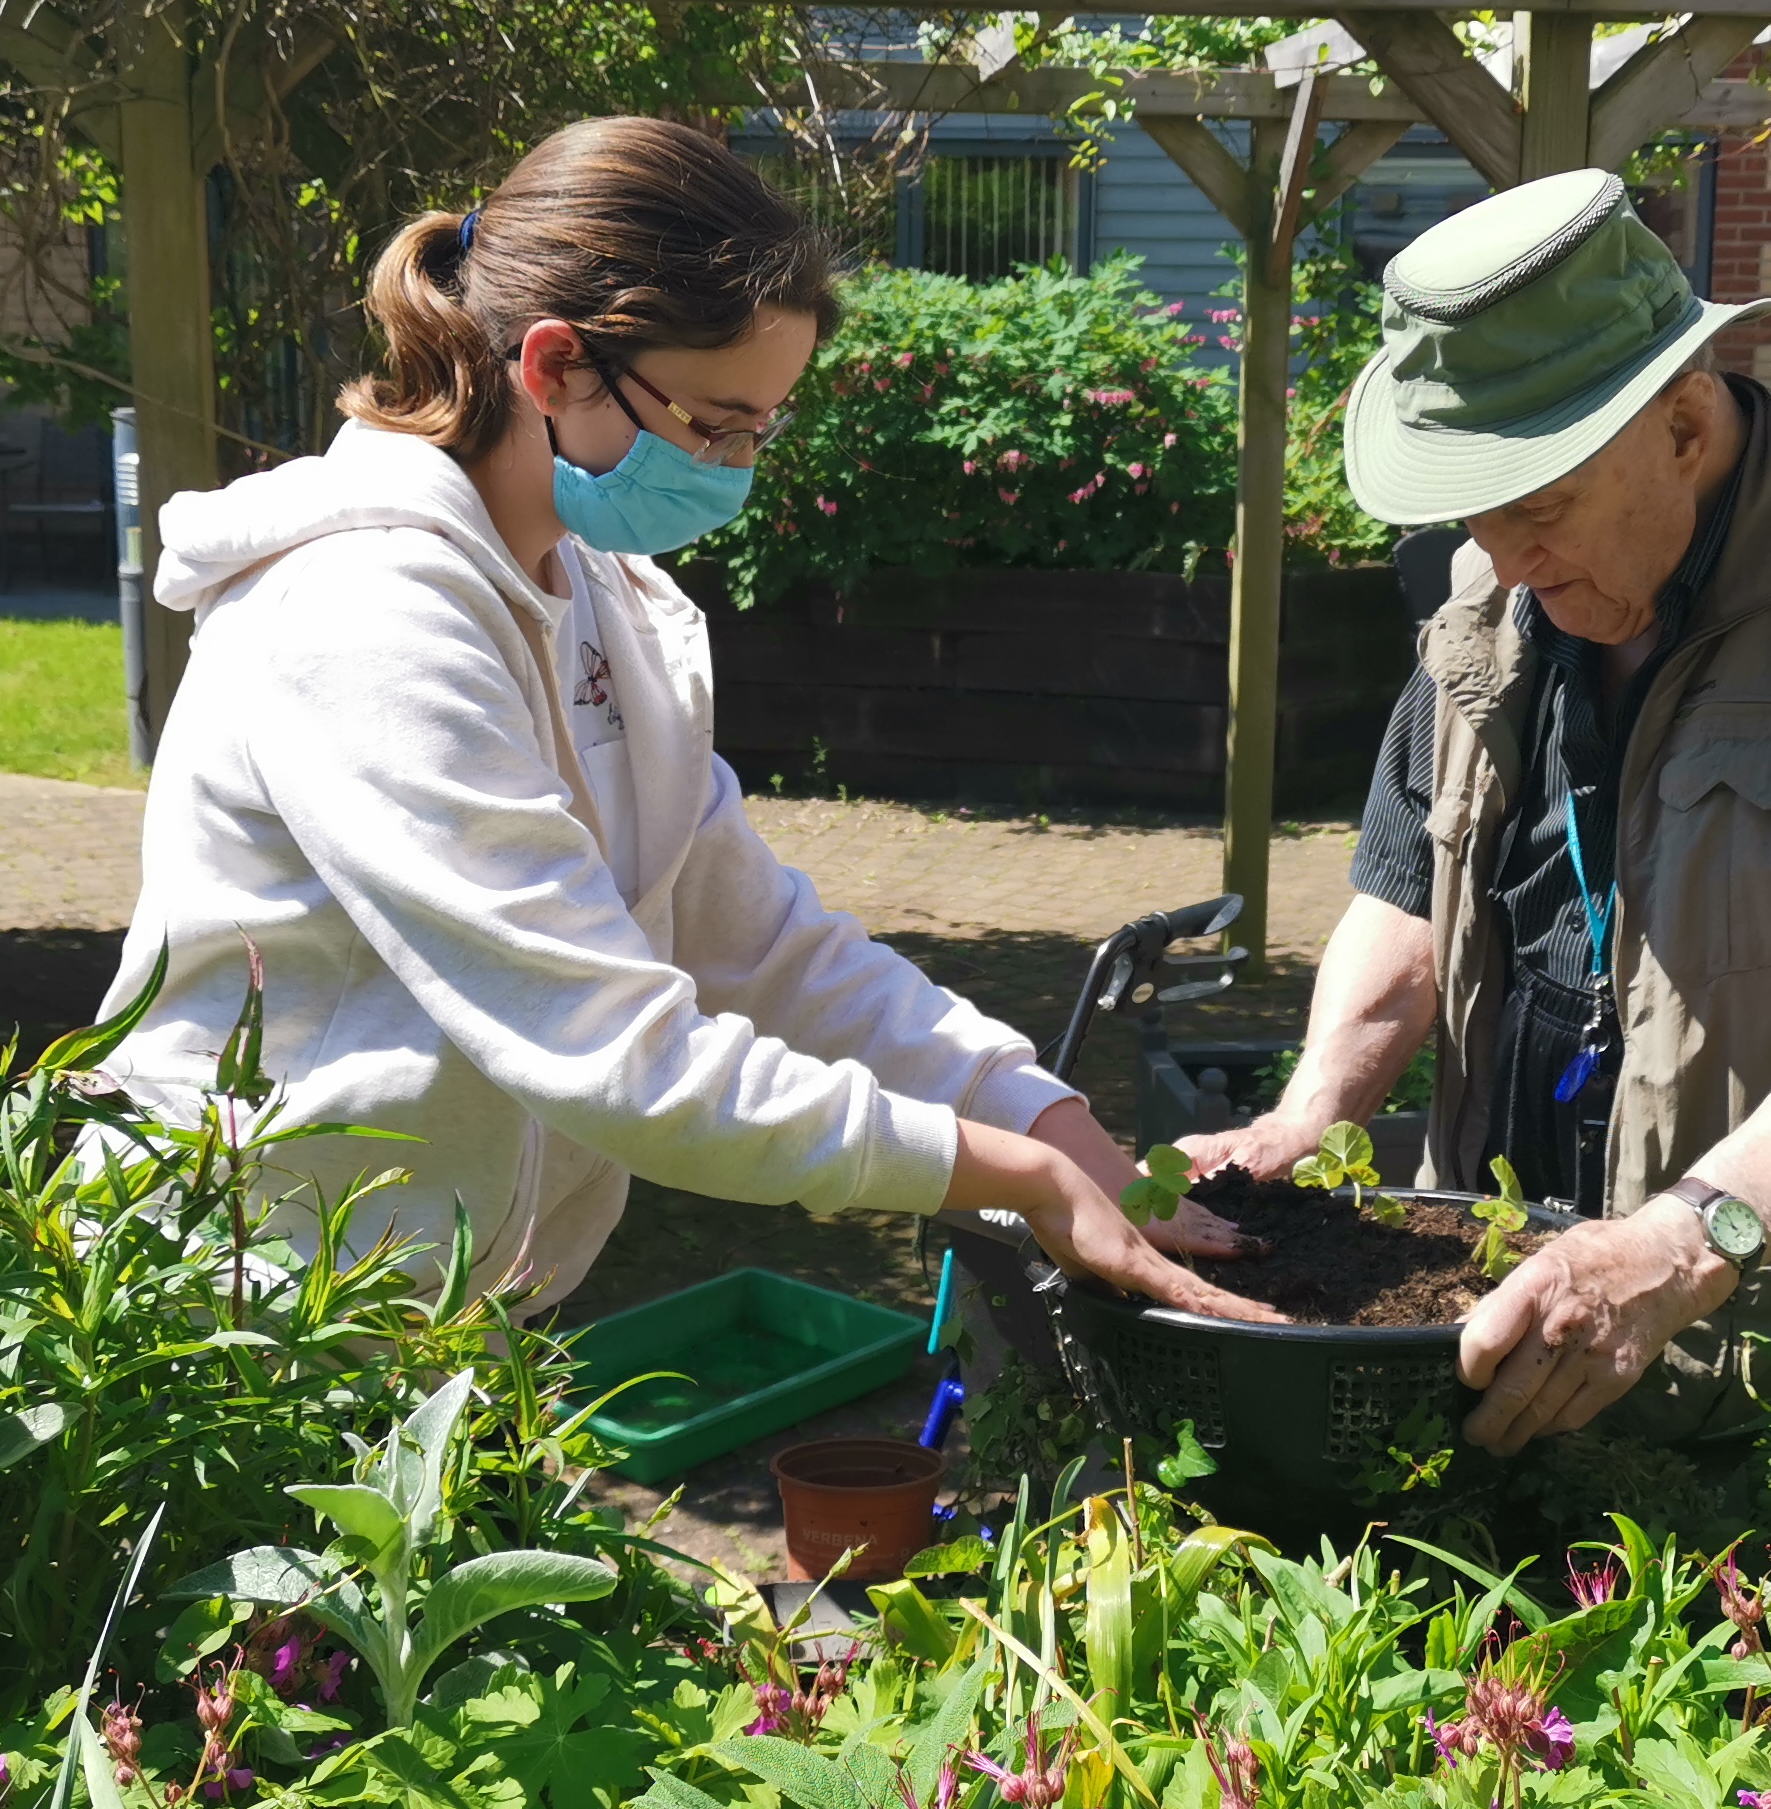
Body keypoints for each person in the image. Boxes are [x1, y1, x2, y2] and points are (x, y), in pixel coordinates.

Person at [98, 116, 1258, 1324]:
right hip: (241, 1318)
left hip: (459, 1318)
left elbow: (757, 945)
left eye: (763, 426)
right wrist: (1009, 1176)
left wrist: (1047, 1119)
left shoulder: (604, 601)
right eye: (713, 424)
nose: (739, 468)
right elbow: (617, 1054)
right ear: (553, 368)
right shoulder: (361, 618)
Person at [1190, 165, 1771, 1453]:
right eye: (1477, 518)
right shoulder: (1496, 590)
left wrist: (1688, 1239)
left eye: (1540, 508)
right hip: (1513, 1319)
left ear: (1687, 427)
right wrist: (1307, 1122)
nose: (1508, 562)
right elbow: (1400, 898)